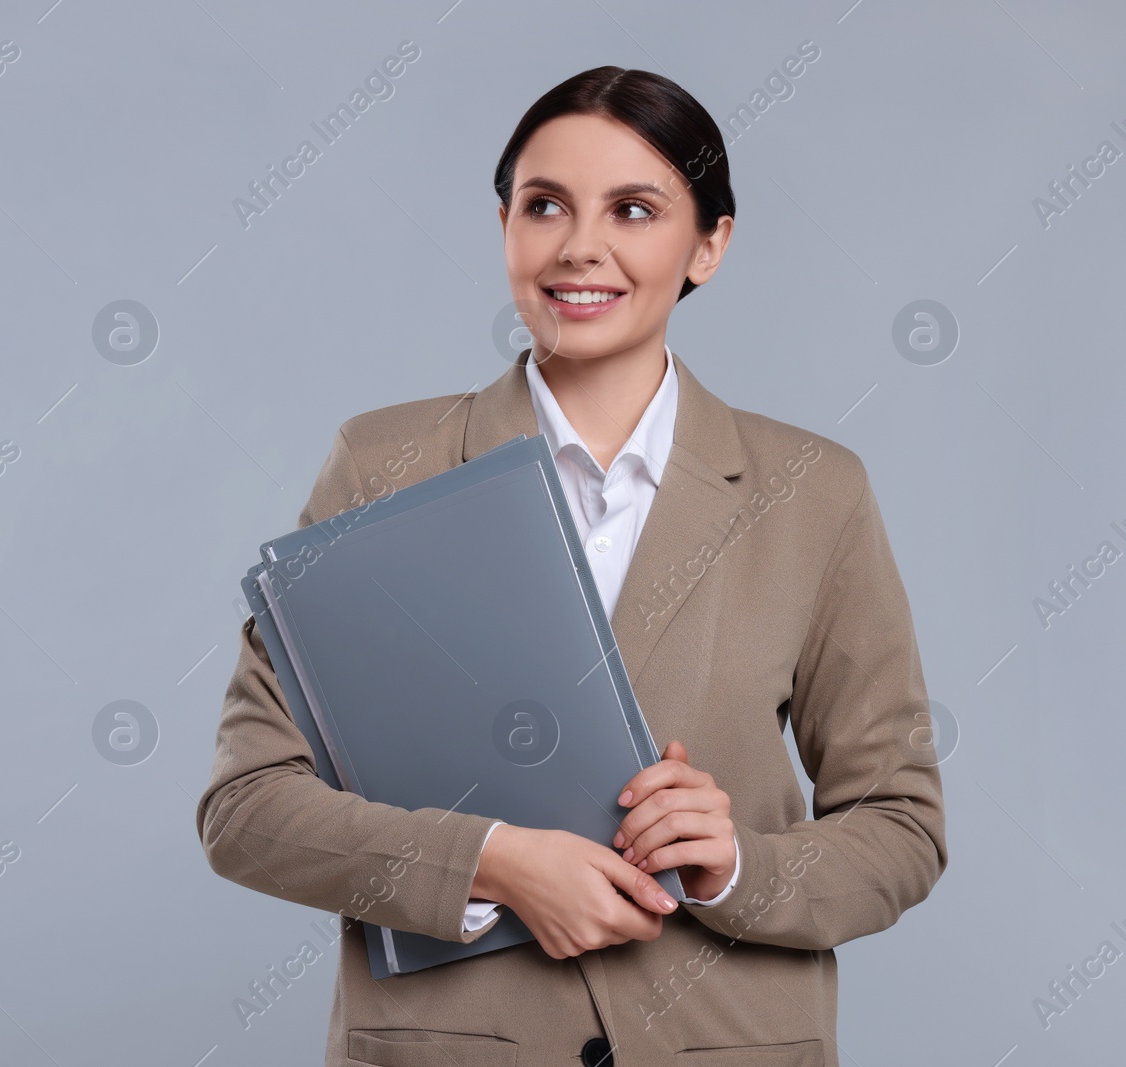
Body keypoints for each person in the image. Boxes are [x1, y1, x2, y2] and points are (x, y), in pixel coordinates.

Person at [197, 66, 947, 1067]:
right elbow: (246, 806)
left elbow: (899, 827)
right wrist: (490, 862)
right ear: (504, 225)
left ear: (709, 245)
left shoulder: (815, 491)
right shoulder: (379, 466)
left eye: (634, 209)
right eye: (543, 205)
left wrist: (734, 867)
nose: (579, 246)